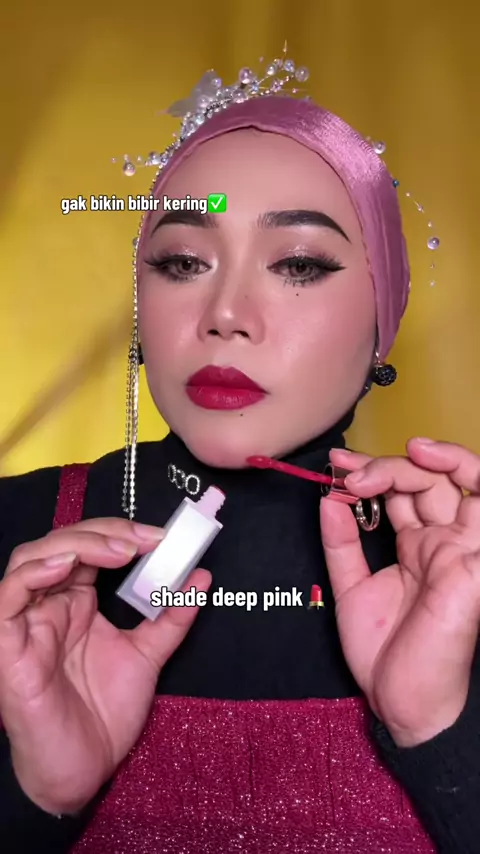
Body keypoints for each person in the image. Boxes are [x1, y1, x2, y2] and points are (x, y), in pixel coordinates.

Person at [0, 55, 479, 854]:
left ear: (384, 312)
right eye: (183, 262)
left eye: (298, 264)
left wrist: (439, 731)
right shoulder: (18, 549)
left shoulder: (460, 576)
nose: (225, 313)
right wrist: (36, 794)